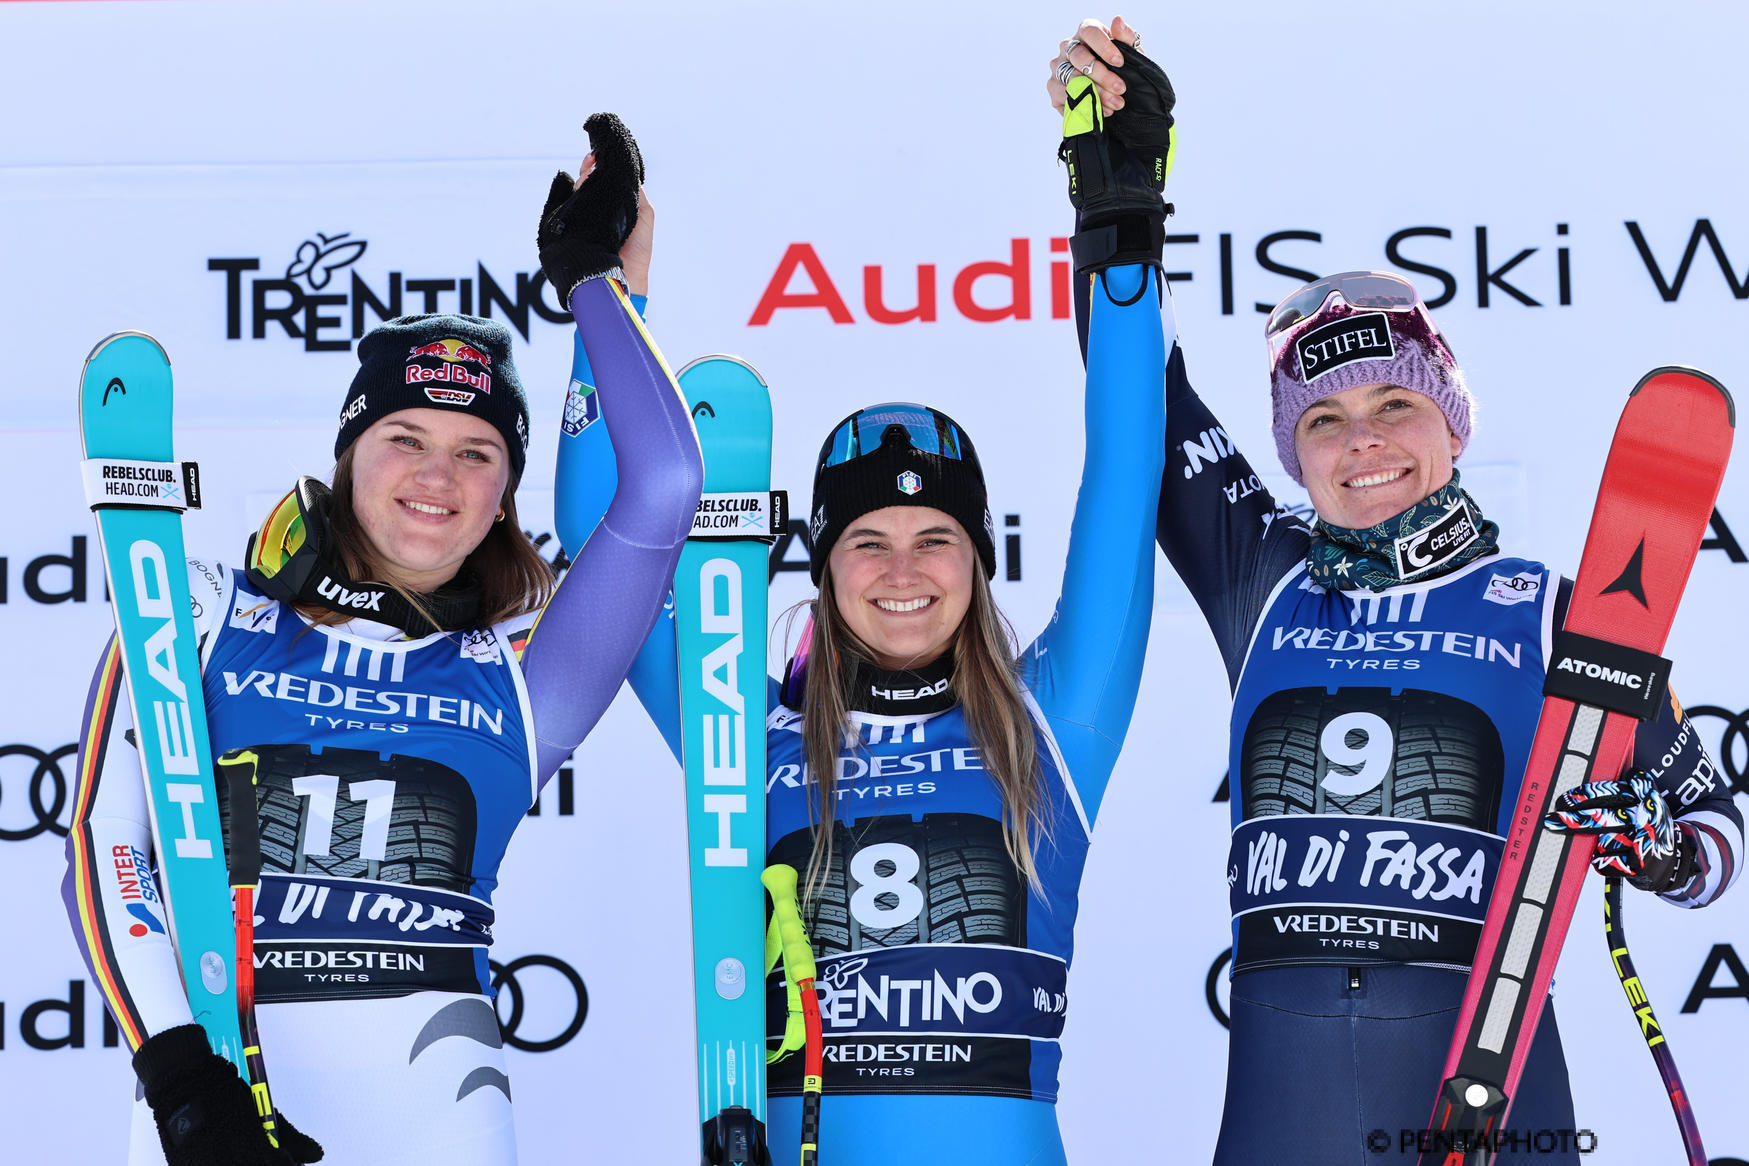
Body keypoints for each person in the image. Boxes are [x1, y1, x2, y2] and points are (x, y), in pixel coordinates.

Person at [1051, 20, 1744, 1164]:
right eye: (1321, 420)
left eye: (1395, 407)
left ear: (1452, 423)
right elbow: (1141, 399)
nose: (1360, 443)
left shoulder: (1555, 612)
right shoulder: (1261, 576)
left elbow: (1716, 839)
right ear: (1292, 451)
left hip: (1493, 1097)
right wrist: (1115, 207)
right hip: (1282, 1113)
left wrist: (1656, 843)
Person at [62, 115, 703, 1166]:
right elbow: (103, 843)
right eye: (403, 437)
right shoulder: (198, 606)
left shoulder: (530, 671)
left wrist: (599, 286)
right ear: (350, 454)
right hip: (210, 1109)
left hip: (437, 1116)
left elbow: (665, 482)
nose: (436, 476)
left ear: (505, 495)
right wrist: (177, 1074)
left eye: (476, 452)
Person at [593, 66, 1177, 1166]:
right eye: (866, 540)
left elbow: (1126, 465)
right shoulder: (738, 728)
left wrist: (1121, 223)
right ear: (821, 567)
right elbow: (602, 542)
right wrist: (603, 299)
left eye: (934, 539)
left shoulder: (1055, 722)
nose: (900, 568)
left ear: (977, 558)